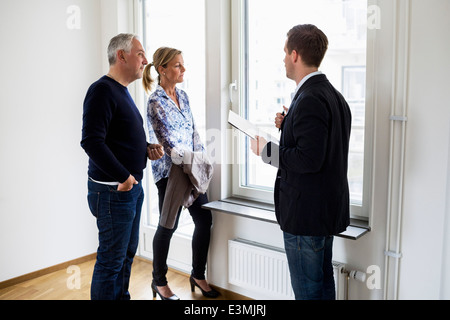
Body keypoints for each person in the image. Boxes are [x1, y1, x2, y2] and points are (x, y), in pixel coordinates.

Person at [250, 24, 352, 300]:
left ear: (295, 55)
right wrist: (289, 124)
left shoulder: (309, 99)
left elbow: (308, 159)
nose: (283, 58)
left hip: (306, 216)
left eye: (285, 52)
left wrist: (265, 151)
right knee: (323, 285)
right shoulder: (334, 97)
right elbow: (322, 148)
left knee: (308, 292)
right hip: (324, 212)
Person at [81, 33, 164, 300]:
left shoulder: (121, 91)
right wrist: (124, 177)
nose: (146, 60)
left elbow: (117, 137)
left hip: (129, 189)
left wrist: (145, 147)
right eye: (140, 53)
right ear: (121, 55)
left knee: (125, 257)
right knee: (111, 262)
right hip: (114, 191)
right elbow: (92, 141)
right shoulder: (102, 90)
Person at [142, 47, 219, 300]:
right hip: (170, 172)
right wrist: (191, 162)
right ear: (162, 69)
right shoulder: (155, 102)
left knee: (204, 221)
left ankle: (198, 275)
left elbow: (194, 132)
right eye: (177, 65)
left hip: (192, 169)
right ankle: (159, 282)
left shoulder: (183, 96)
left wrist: (202, 161)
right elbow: (168, 143)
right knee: (168, 226)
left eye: (182, 64)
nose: (183, 69)